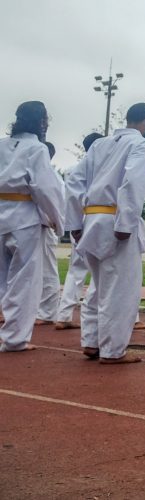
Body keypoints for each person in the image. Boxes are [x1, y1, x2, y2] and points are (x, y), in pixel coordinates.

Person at [65, 103, 145, 364]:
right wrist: (126, 224)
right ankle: (113, 351)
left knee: (98, 286)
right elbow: (133, 182)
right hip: (116, 220)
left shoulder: (99, 145)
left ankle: (92, 342)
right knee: (120, 290)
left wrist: (74, 222)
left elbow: (74, 182)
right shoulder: (141, 145)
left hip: (91, 218)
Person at [0, 101, 64, 352]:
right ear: (42, 122)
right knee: (24, 280)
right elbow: (45, 188)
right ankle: (15, 338)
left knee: (3, 278)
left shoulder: (1, 145)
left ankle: (9, 330)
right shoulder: (36, 149)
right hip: (24, 218)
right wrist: (58, 221)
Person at [54, 133, 103, 329]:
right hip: (95, 217)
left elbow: (69, 196)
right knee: (101, 270)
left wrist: (72, 225)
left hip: (78, 218)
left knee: (76, 269)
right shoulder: (100, 167)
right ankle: (95, 318)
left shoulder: (72, 169)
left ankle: (64, 315)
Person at [35, 142, 66, 326]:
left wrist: (54, 222)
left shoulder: (54, 177)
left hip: (46, 226)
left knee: (47, 270)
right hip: (30, 225)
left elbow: (57, 203)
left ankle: (47, 312)